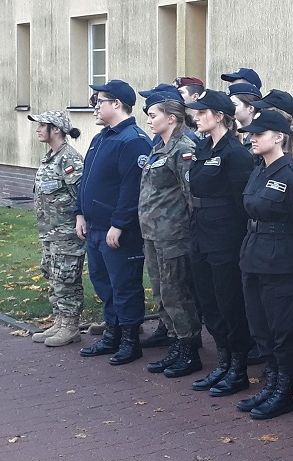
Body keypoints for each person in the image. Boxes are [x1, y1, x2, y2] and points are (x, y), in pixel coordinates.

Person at [233, 110, 293, 420]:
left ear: (279, 137)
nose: (251, 138)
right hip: (254, 257)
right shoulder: (259, 170)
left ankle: (284, 391)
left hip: (284, 263)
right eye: (250, 133)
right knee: (261, 327)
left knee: (284, 330)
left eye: (259, 133)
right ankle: (270, 384)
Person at [184, 89, 256, 396]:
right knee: (207, 299)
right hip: (200, 230)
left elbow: (242, 202)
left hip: (225, 234)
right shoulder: (203, 147)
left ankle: (238, 366)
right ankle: (223, 359)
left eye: (202, 113)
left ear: (219, 116)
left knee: (229, 301)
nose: (197, 117)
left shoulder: (235, 153)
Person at [76, 80, 152, 365]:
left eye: (100, 101)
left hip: (118, 230)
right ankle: (113, 333)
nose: (95, 106)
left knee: (124, 284)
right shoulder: (102, 137)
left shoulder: (133, 140)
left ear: (117, 104)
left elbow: (131, 188)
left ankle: (131, 339)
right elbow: (87, 179)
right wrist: (79, 212)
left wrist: (119, 224)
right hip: (95, 227)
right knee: (103, 282)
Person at [137, 94, 202, 378]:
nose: (149, 119)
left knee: (177, 292)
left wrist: (188, 232)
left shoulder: (183, 148)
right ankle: (175, 342)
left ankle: (188, 348)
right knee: (161, 291)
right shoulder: (158, 147)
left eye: (153, 114)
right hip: (153, 233)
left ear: (171, 118)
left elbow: (191, 196)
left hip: (174, 234)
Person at [27, 110, 86, 348]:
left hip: (66, 233)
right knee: (52, 275)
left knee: (66, 278)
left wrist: (79, 220)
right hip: (50, 232)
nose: (38, 129)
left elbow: (80, 194)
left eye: (43, 125)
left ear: (57, 130)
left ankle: (71, 325)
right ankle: (60, 320)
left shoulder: (69, 159)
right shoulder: (50, 156)